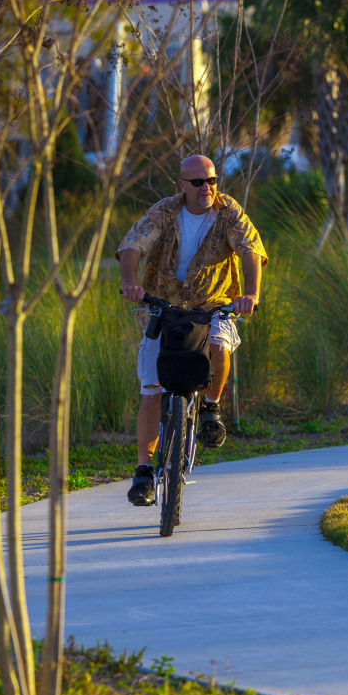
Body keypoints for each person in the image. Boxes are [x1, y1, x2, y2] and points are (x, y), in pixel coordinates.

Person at [116, 154, 267, 506]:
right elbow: (132, 246)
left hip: (213, 303)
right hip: (164, 305)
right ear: (181, 185)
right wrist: (130, 284)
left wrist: (250, 294)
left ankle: (211, 408)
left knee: (220, 342)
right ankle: (143, 472)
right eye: (198, 182)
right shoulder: (164, 212)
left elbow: (250, 248)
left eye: (212, 180)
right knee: (151, 387)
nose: (207, 188)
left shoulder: (228, 212)